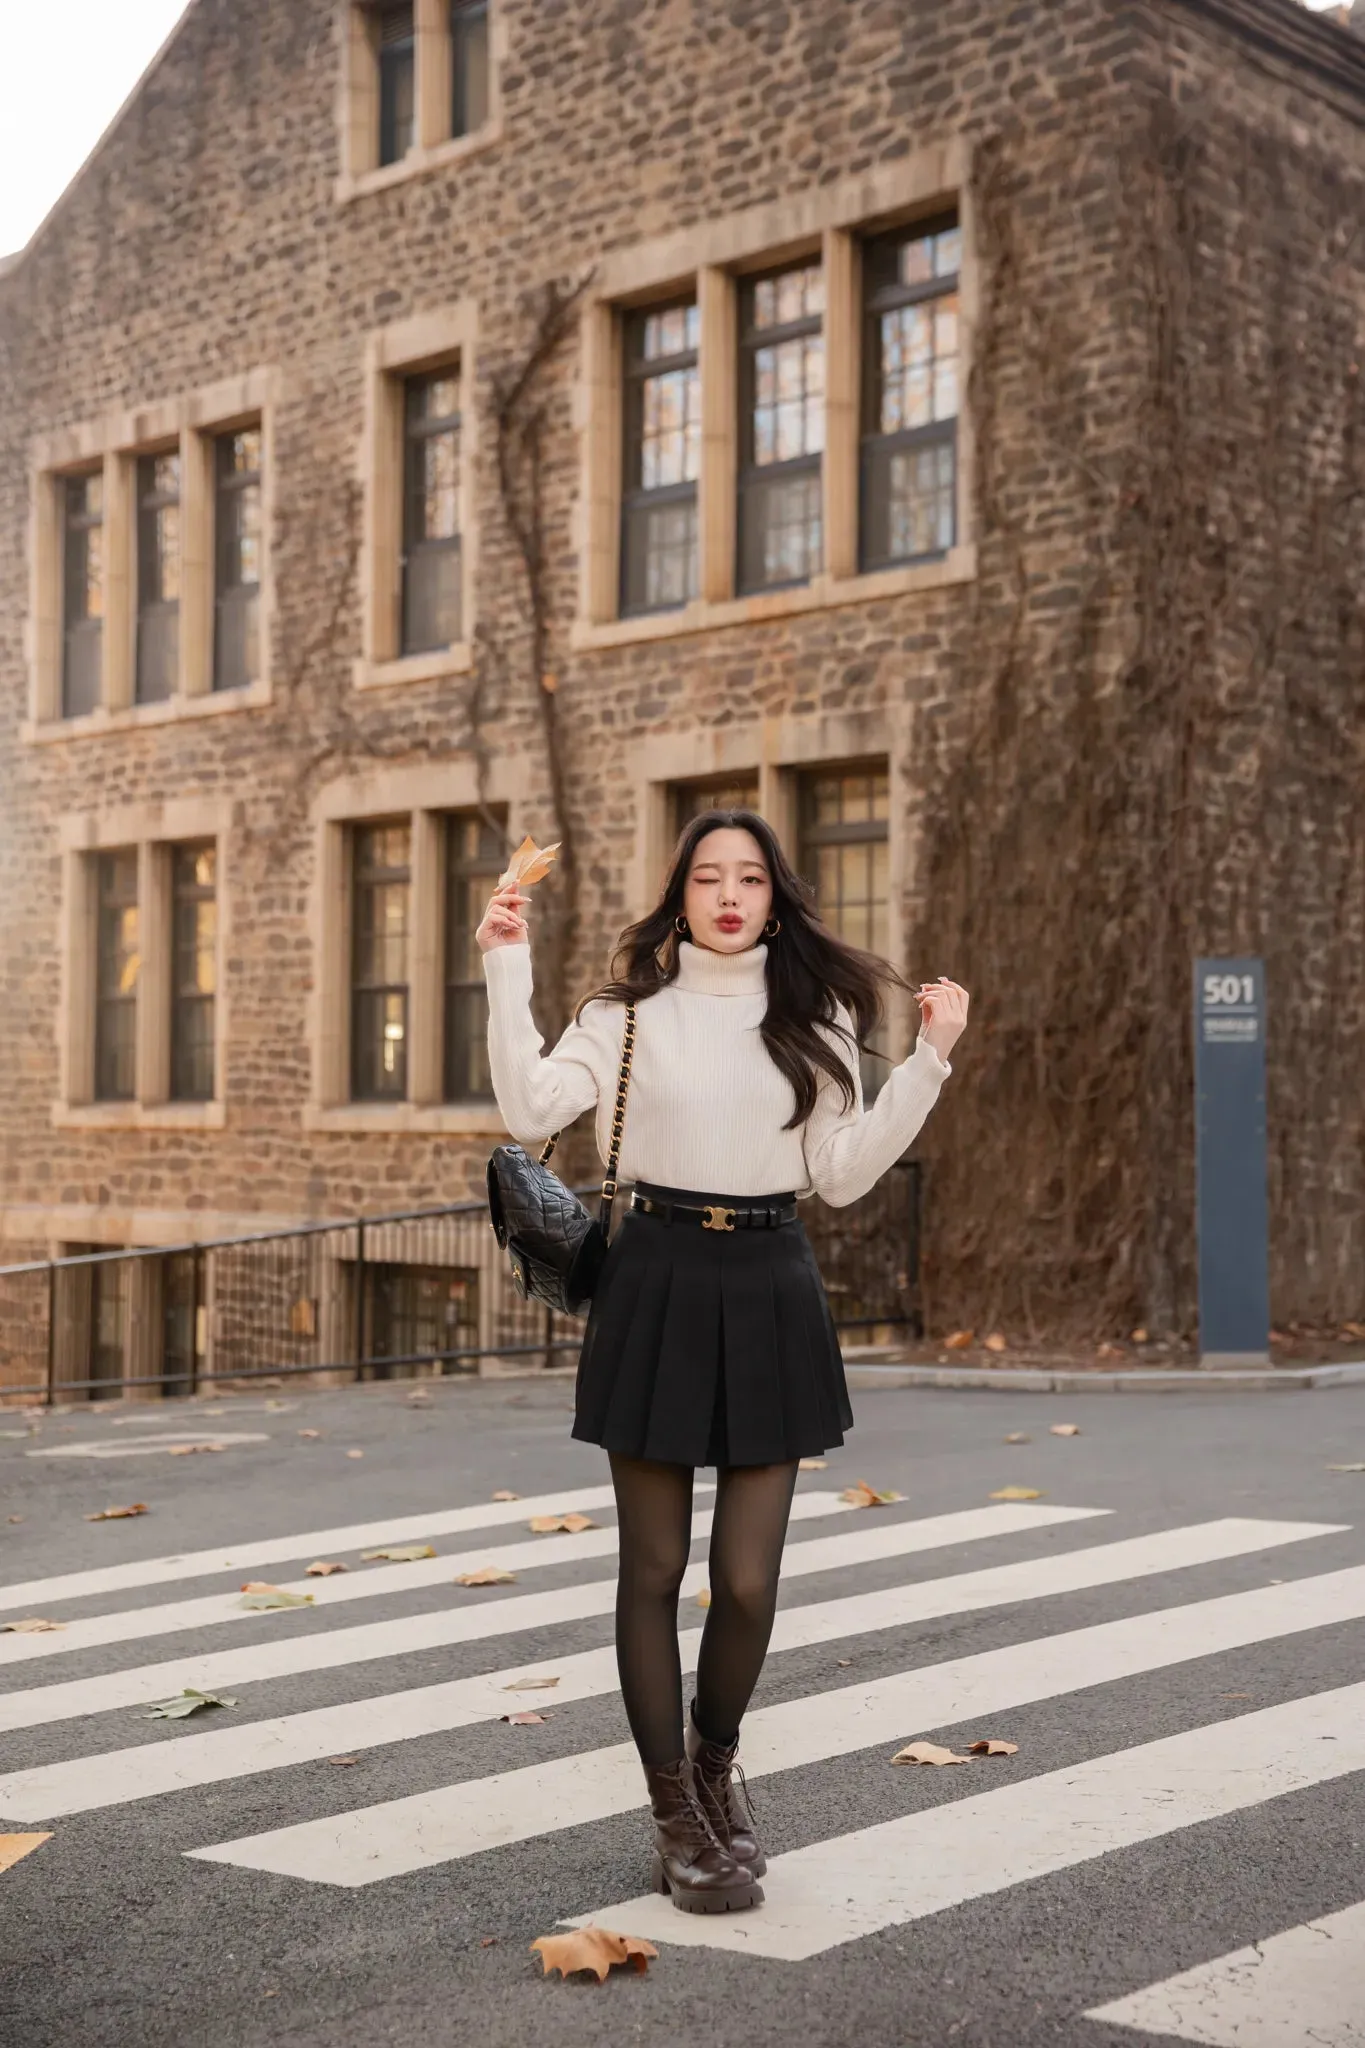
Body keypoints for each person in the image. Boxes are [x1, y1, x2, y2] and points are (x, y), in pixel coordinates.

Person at [476, 809, 968, 1914]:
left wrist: (928, 1061)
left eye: (751, 876)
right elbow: (529, 1106)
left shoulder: (819, 1012)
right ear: (682, 892)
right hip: (651, 1277)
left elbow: (839, 1174)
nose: (731, 894)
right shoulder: (625, 1012)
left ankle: (712, 1762)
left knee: (746, 1577)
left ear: (776, 893)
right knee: (652, 1569)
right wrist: (506, 967)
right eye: (709, 876)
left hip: (771, 1279)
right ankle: (674, 1818)